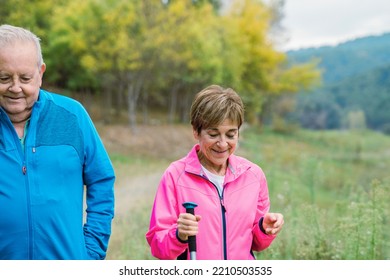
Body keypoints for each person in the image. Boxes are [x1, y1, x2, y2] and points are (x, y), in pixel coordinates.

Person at [0, 24, 115, 260]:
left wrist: (91, 252)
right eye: (3, 77)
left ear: (40, 73)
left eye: (25, 77)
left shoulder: (72, 116)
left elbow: (101, 180)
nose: (15, 87)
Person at [146, 85, 284, 260]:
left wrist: (265, 228)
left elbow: (256, 243)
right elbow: (158, 246)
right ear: (196, 131)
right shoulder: (175, 176)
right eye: (213, 134)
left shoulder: (253, 176)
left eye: (231, 135)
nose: (222, 144)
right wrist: (179, 235)